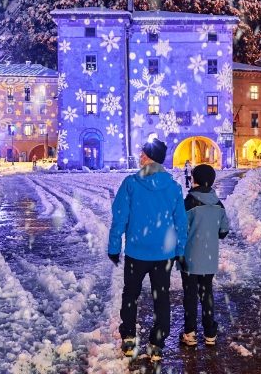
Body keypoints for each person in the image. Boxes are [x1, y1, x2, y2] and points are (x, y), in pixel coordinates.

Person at [108, 139, 187, 361]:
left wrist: (114, 247)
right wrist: (180, 250)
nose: (140, 157)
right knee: (161, 297)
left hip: (137, 252)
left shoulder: (131, 184)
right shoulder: (172, 187)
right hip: (164, 255)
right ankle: (157, 343)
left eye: (144, 154)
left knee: (131, 294)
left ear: (152, 157)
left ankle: (129, 337)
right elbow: (180, 222)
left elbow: (120, 218)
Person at [179, 164, 230, 347]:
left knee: (190, 296)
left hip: (189, 259)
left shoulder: (188, 203)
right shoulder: (218, 204)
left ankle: (190, 333)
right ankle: (210, 333)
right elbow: (224, 230)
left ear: (196, 180)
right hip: (209, 260)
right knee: (206, 294)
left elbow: (180, 230)